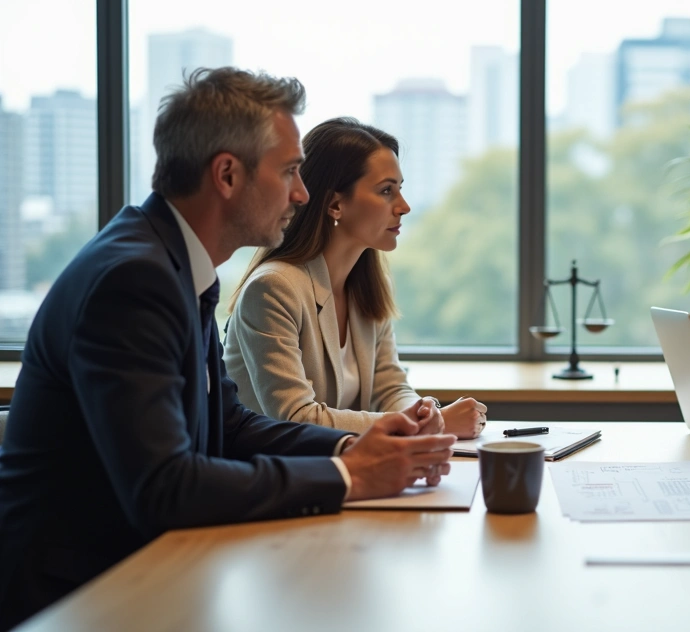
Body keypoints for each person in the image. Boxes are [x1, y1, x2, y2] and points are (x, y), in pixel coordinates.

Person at [0, 68, 458, 629]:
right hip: (78, 595)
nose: (303, 192)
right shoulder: (132, 280)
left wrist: (349, 448)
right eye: (290, 171)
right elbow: (165, 487)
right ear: (227, 175)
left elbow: (231, 426)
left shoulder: (177, 266)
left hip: (146, 568)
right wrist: (351, 477)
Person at [223, 117, 487, 438]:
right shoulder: (273, 288)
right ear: (335, 204)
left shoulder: (370, 285)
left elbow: (388, 387)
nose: (404, 207)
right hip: (273, 477)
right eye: (386, 191)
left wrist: (426, 413)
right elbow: (296, 418)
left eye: (399, 190)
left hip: (337, 469)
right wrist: (430, 425)